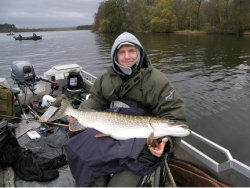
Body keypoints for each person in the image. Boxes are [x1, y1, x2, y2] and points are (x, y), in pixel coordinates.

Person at [68, 32, 187, 187]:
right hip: (110, 134)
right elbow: (96, 100)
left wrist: (166, 143)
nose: (127, 56)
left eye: (131, 51)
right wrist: (78, 114)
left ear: (139, 52)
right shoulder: (106, 78)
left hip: (141, 145)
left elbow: (175, 116)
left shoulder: (157, 81)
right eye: (121, 52)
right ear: (115, 56)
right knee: (89, 169)